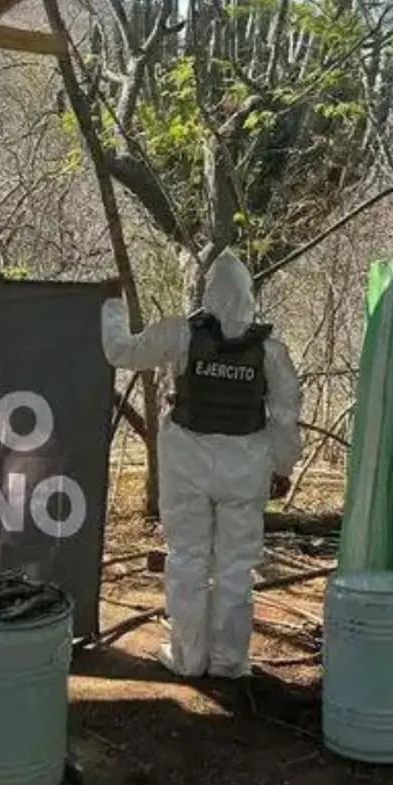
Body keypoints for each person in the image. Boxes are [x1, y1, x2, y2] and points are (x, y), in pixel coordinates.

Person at [101, 250, 302, 679]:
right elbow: (285, 417)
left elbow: (121, 351)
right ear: (250, 297)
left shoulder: (181, 334)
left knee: (188, 559)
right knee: (235, 568)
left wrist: (112, 306)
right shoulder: (271, 352)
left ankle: (188, 658)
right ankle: (229, 662)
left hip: (186, 465)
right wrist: (283, 468)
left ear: (208, 293)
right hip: (245, 469)